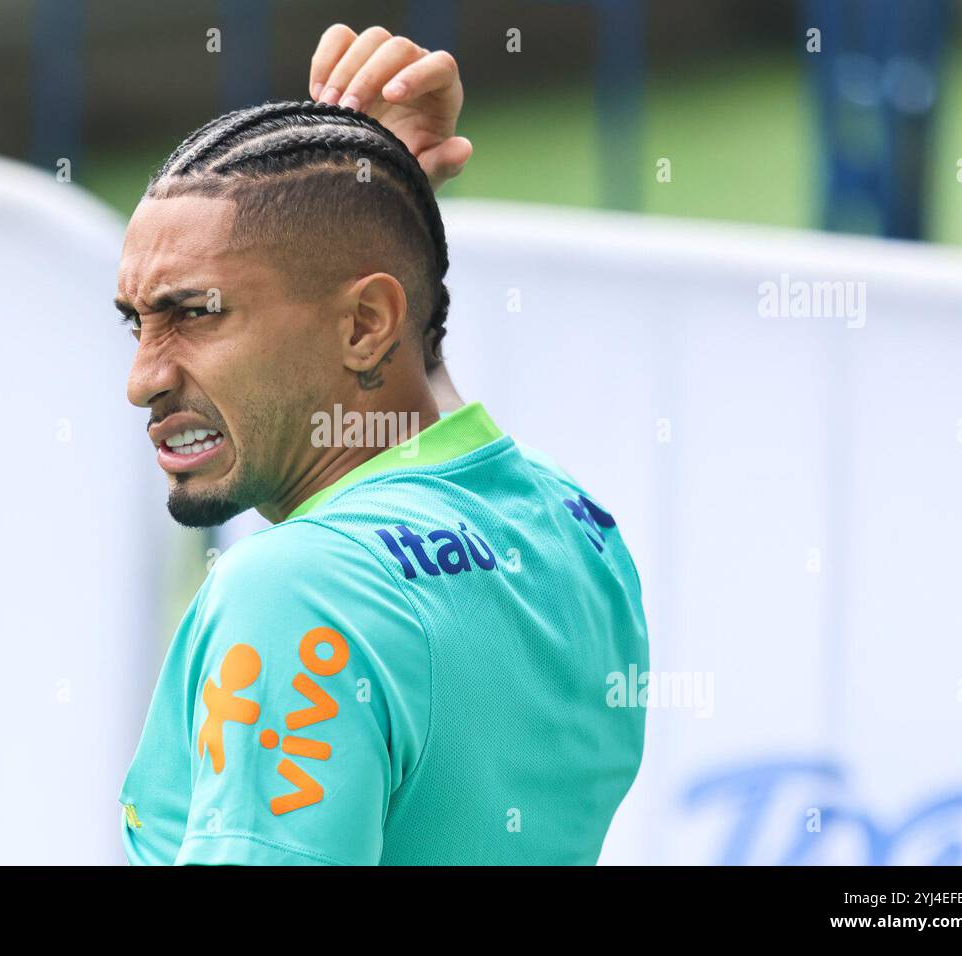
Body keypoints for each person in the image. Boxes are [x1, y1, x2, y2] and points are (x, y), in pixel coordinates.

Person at [117, 24, 648, 865]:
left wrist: (374, 213)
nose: (144, 377)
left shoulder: (293, 593)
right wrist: (380, 203)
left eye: (197, 313)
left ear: (367, 323)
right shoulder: (577, 528)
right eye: (136, 323)